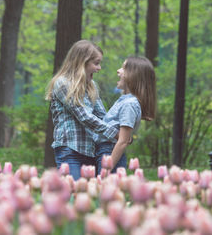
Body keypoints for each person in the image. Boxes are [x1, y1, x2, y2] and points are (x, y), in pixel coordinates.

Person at [45, 40, 119, 180]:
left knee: (88, 196)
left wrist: (122, 126)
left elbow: (102, 115)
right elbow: (84, 116)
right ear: (82, 62)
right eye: (96, 63)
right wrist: (115, 133)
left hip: (90, 151)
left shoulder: (92, 86)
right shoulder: (63, 83)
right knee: (73, 192)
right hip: (69, 150)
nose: (99, 68)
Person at [95, 57, 157, 174]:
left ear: (134, 76)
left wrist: (107, 169)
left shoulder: (130, 104)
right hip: (106, 151)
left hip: (110, 153)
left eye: (123, 68)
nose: (118, 71)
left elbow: (123, 141)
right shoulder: (126, 100)